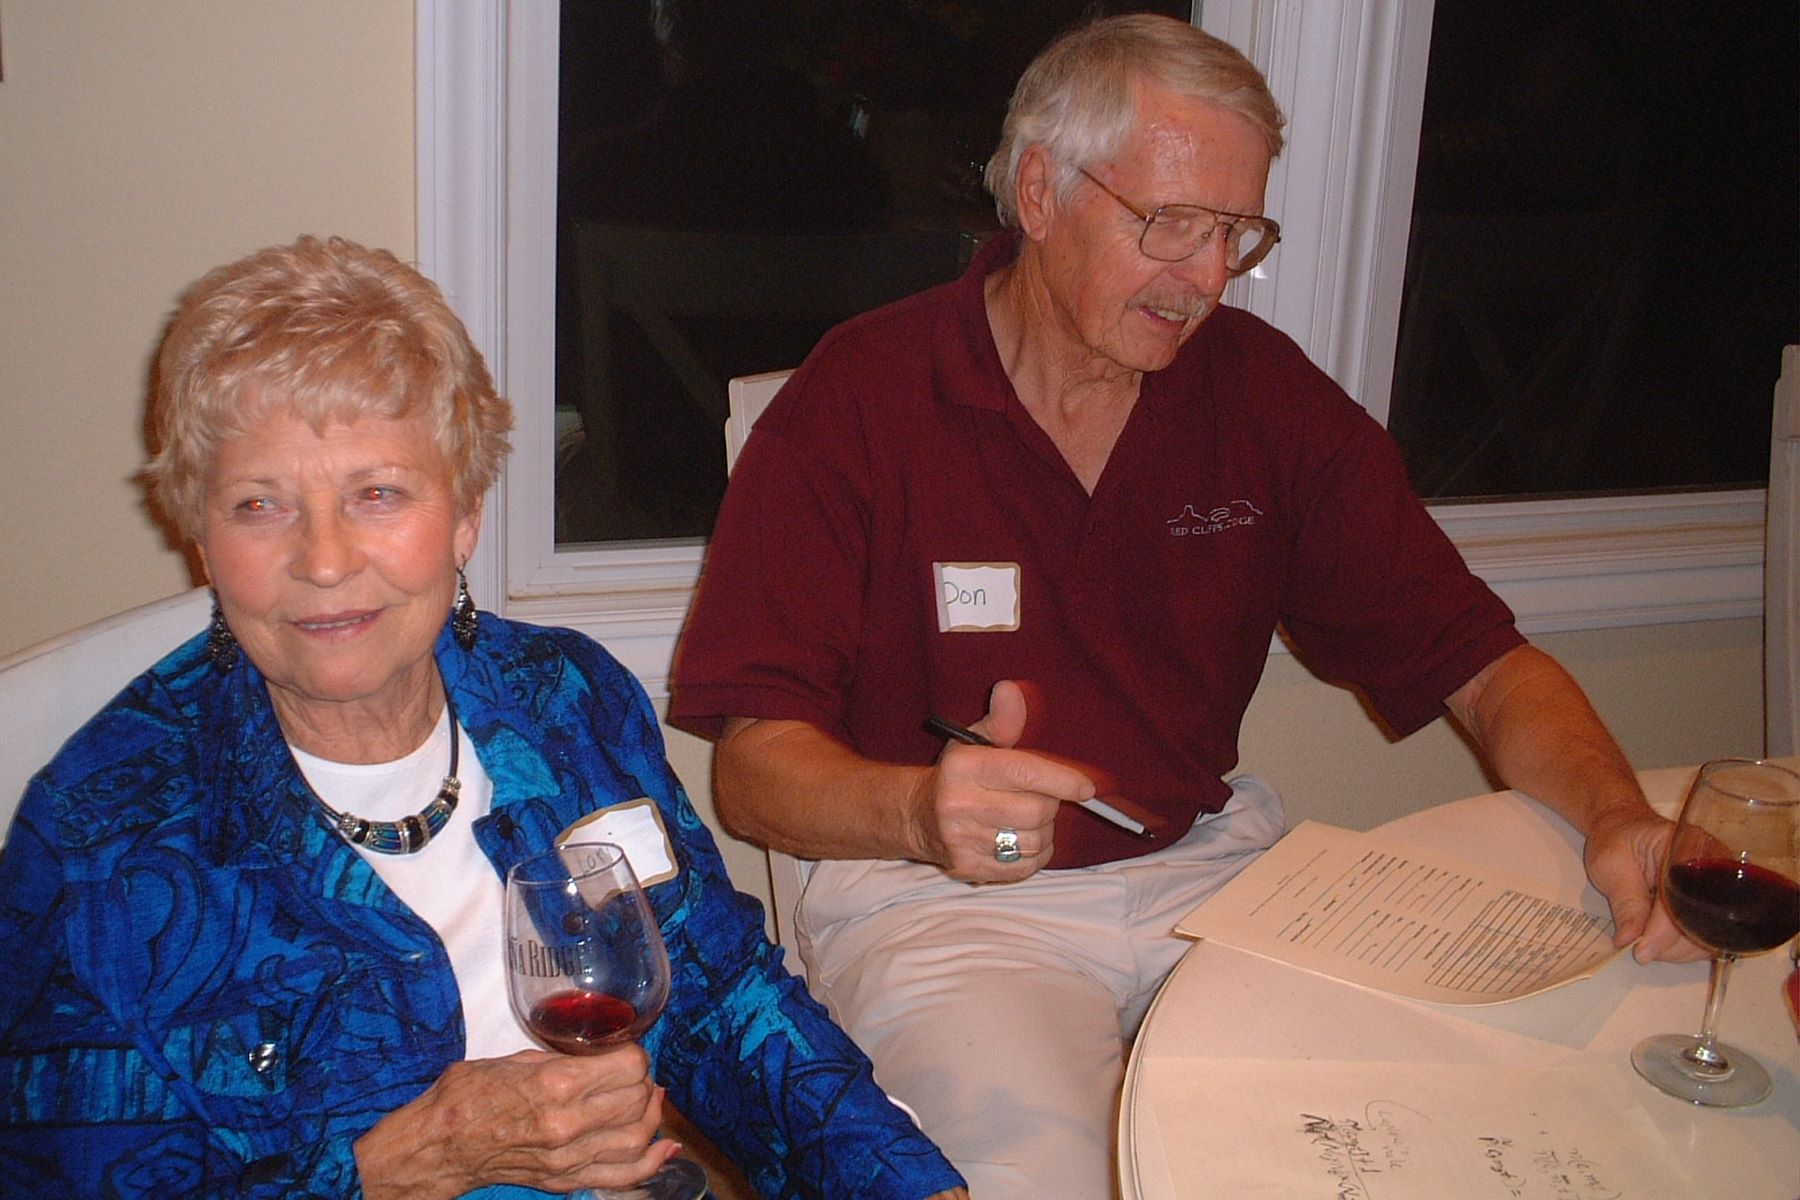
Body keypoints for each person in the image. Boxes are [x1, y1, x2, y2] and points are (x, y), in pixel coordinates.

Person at [668, 14, 1701, 1198]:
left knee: (1419, 1146)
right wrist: (920, 809)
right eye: (1170, 224)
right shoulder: (859, 397)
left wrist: (1617, 814)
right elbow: (752, 770)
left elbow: (1485, 666)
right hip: (943, 905)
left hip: (1209, 872)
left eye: (1234, 234)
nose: (1207, 276)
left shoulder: (1264, 401)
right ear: (1043, 192)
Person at [0, 236, 968, 1200]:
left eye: (377, 494)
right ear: (200, 537)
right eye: (261, 505)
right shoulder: (99, 842)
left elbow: (720, 991)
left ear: (463, 514)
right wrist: (395, 1170)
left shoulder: (567, 703)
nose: (325, 559)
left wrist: (903, 1181)